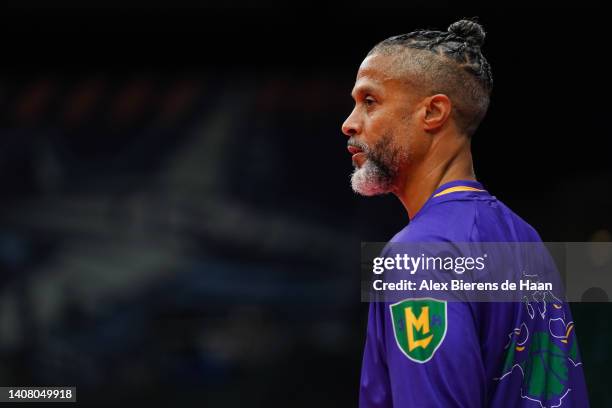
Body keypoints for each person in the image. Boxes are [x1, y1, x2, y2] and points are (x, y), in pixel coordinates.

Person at [342, 19, 589, 407]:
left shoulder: (421, 254)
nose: (349, 123)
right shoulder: (526, 237)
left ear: (433, 112)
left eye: (369, 102)